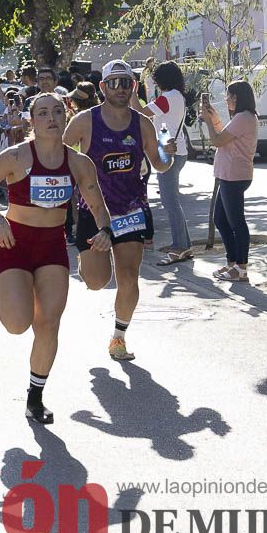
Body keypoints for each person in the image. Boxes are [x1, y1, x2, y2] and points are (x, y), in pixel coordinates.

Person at [0, 94, 112, 423]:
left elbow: (98, 206)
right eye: (43, 112)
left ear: (66, 116)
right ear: (32, 119)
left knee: (49, 324)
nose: (52, 118)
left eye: (58, 111)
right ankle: (11, 302)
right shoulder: (15, 157)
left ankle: (35, 396)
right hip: (14, 244)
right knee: (18, 324)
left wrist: (106, 231)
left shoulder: (78, 163)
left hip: (52, 248)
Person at [63, 59, 175, 361]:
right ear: (103, 87)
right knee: (96, 281)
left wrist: (168, 151)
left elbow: (161, 163)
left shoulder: (143, 124)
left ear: (133, 87)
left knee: (128, 276)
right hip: (94, 211)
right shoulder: (85, 121)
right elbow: (57, 154)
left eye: (125, 83)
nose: (120, 88)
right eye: (113, 83)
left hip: (131, 210)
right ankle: (94, 265)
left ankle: (119, 337)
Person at [199, 80, 259, 282]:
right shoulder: (241, 117)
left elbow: (216, 141)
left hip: (234, 175)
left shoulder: (244, 117)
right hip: (229, 174)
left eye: (228, 95)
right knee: (221, 220)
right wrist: (214, 118)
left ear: (236, 97)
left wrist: (207, 121)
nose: (226, 99)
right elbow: (223, 135)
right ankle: (232, 263)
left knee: (236, 222)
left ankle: (241, 268)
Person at [136, 62, 192, 266]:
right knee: (173, 202)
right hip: (179, 152)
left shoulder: (166, 98)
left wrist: (135, 92)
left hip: (169, 154)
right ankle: (184, 245)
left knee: (170, 203)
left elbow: (139, 113)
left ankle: (179, 247)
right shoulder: (178, 96)